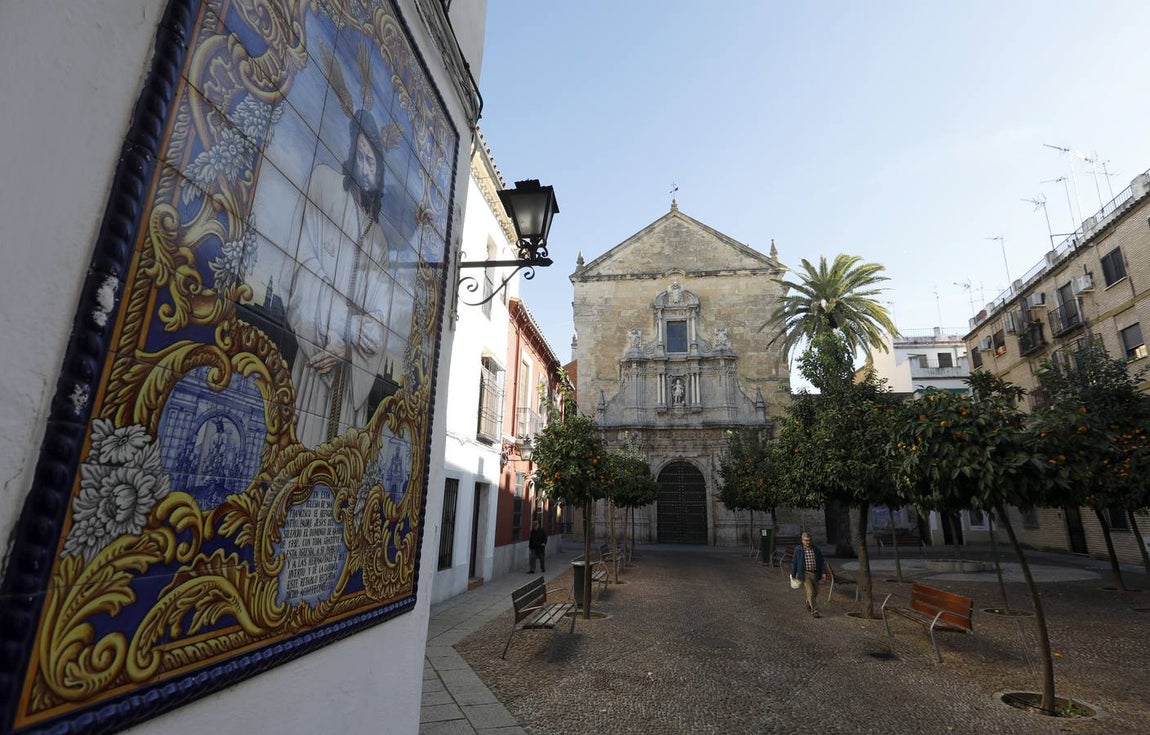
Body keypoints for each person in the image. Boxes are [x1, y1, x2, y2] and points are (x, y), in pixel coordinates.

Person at [280, 109, 392, 446]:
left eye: (371, 161)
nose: (364, 168)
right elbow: (300, 261)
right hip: (318, 352)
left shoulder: (379, 240)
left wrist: (350, 343)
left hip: (348, 369)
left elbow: (380, 318)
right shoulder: (324, 185)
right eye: (359, 157)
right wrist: (342, 324)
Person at [790, 531, 826, 618]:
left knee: (816, 592)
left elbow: (821, 561)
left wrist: (824, 573)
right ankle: (815, 611)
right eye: (806, 540)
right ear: (802, 541)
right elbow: (794, 562)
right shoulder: (798, 550)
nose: (808, 542)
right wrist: (793, 574)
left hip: (815, 573)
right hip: (805, 574)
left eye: (809, 540)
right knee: (810, 592)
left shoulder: (816, 549)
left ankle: (808, 602)